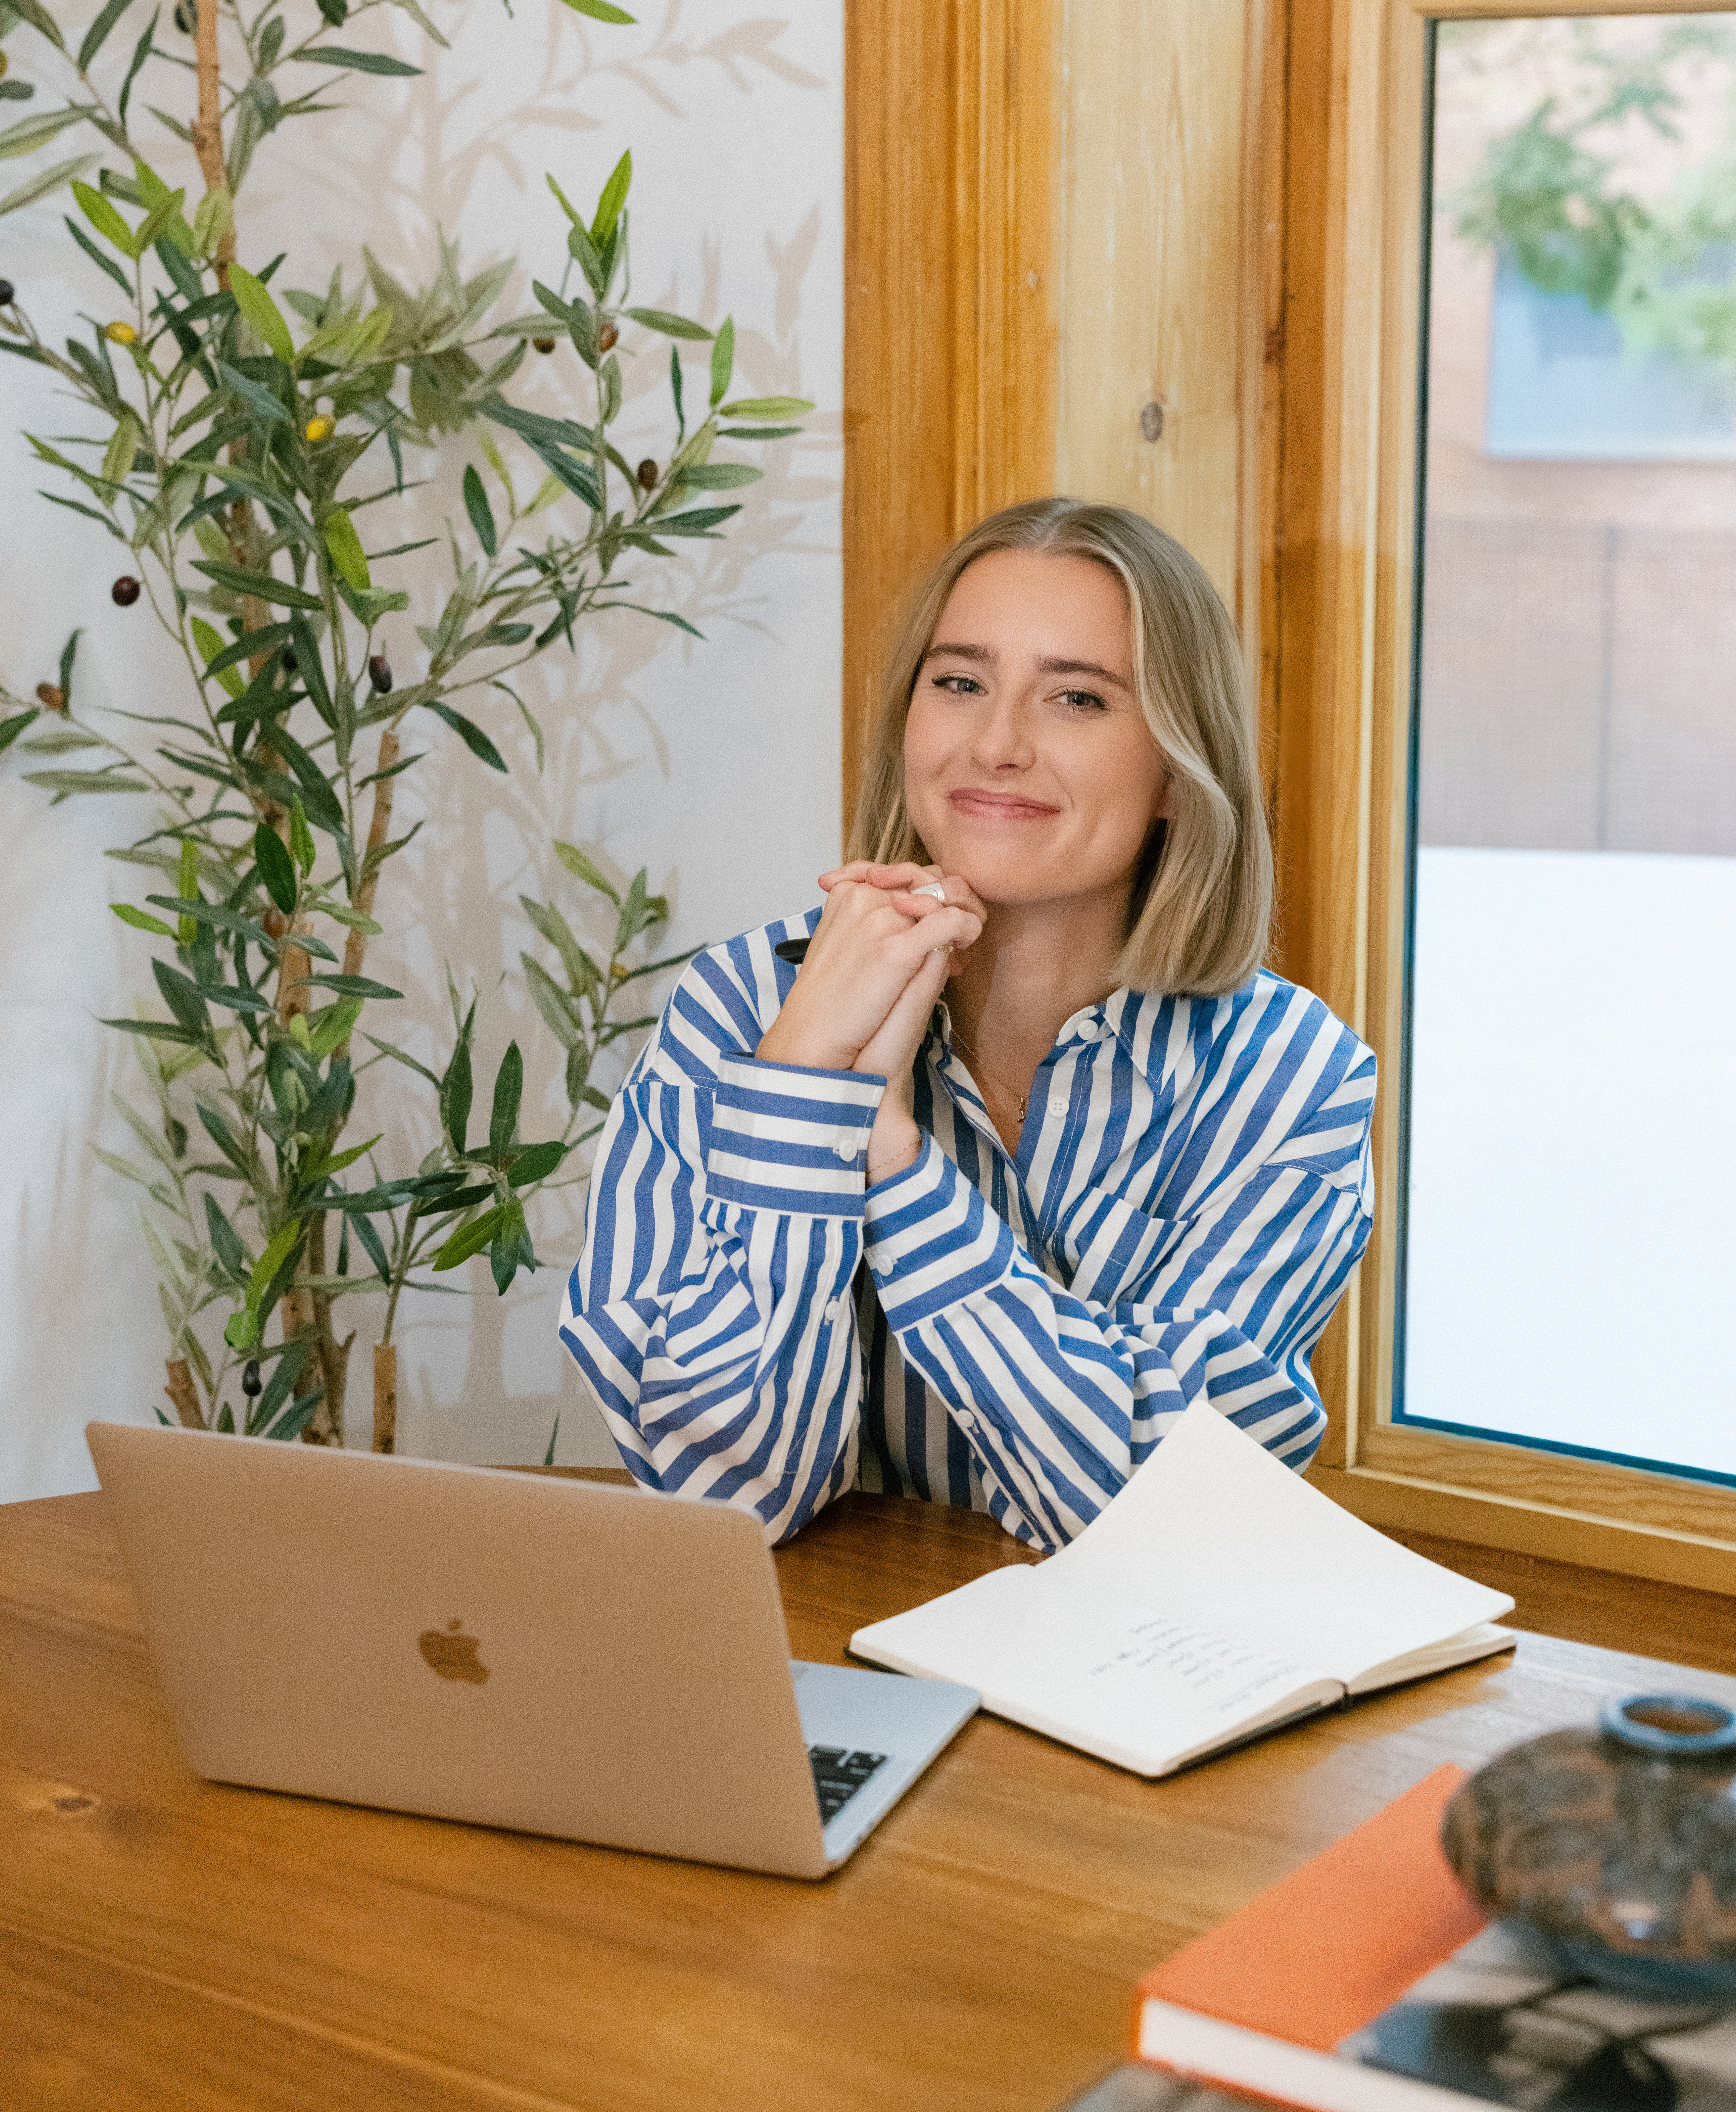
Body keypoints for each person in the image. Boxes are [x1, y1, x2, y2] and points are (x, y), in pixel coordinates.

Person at [561, 497, 1376, 1550]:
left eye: (1076, 699)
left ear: (1176, 768)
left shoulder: (1288, 1077)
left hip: (1123, 1678)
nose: (996, 745)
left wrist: (893, 1160)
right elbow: (728, 1500)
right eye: (958, 684)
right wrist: (806, 1082)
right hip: (816, 1665)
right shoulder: (744, 1009)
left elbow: (1151, 1513)